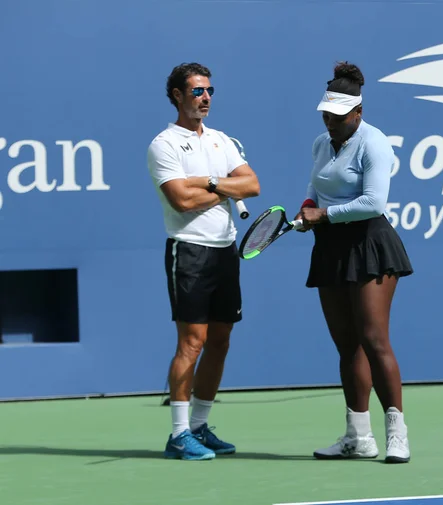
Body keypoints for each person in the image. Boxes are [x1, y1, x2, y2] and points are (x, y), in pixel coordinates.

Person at [296, 62, 413, 464]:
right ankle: (358, 436)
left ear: (358, 113)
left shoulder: (374, 143)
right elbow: (315, 185)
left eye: (338, 116)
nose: (330, 122)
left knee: (373, 338)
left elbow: (373, 202)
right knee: (347, 345)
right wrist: (309, 205)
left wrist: (324, 216)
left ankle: (397, 433)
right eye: (326, 115)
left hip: (369, 245)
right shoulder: (321, 142)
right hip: (330, 249)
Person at [147, 62, 260, 461]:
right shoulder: (164, 144)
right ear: (177, 95)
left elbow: (253, 184)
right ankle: (178, 434)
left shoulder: (221, 141)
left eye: (209, 90)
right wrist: (225, 190)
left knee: (220, 341)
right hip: (190, 251)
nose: (206, 97)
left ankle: (199, 425)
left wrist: (209, 183)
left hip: (225, 250)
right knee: (191, 343)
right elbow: (181, 200)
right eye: (197, 92)